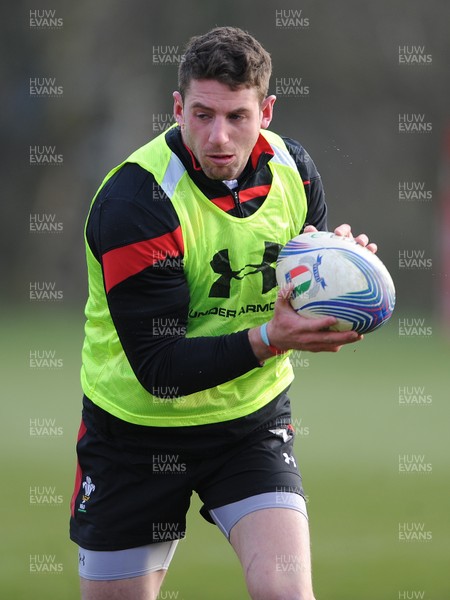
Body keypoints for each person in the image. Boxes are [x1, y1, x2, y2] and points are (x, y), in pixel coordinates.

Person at [70, 26, 377, 600]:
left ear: (266, 111)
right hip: (136, 435)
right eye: (203, 114)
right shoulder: (137, 204)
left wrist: (339, 265)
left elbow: (299, 277)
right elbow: (160, 370)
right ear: (178, 108)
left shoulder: (295, 169)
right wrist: (272, 338)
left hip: (249, 425)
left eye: (237, 116)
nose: (218, 136)